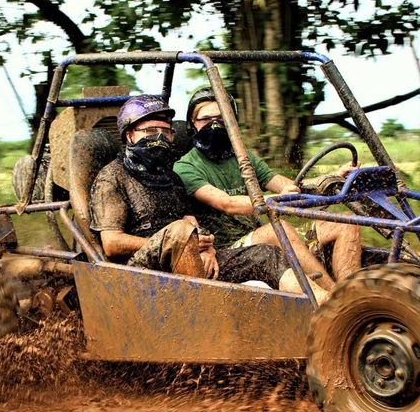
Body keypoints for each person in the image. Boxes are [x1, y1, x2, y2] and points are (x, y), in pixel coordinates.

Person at [89, 95, 330, 301]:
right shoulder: (112, 177)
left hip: (187, 255)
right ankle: (207, 325)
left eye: (165, 132)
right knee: (180, 230)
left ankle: (326, 305)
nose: (159, 138)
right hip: (142, 270)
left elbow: (190, 218)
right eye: (151, 132)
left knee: (267, 255)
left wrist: (206, 248)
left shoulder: (169, 176)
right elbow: (111, 243)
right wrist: (181, 241)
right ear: (130, 135)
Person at [174, 87, 362, 290]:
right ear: (193, 124)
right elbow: (226, 203)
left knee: (345, 222)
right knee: (278, 228)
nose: (214, 124)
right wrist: (274, 200)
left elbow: (287, 186)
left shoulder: (242, 157)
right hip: (225, 248)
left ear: (232, 122)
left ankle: (352, 292)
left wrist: (333, 176)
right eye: (206, 119)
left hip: (255, 233)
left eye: (221, 118)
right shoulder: (186, 166)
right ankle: (338, 299)